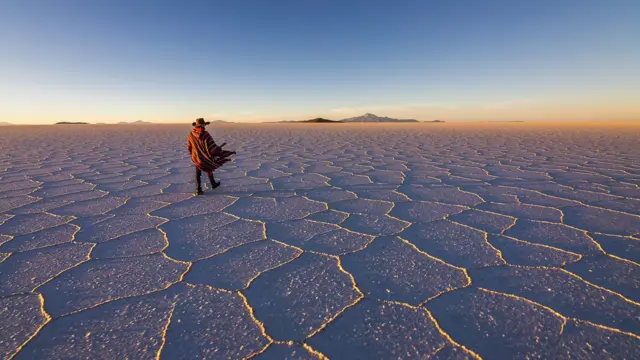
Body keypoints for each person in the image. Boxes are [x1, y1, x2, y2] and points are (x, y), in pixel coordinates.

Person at [187, 118, 236, 195]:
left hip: (196, 157)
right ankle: (212, 184)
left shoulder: (191, 134)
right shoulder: (205, 135)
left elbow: (189, 146)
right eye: (203, 125)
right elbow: (212, 148)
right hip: (205, 158)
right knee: (209, 166)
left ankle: (199, 189)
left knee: (198, 172)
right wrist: (218, 150)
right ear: (201, 125)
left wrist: (193, 155)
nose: (204, 126)